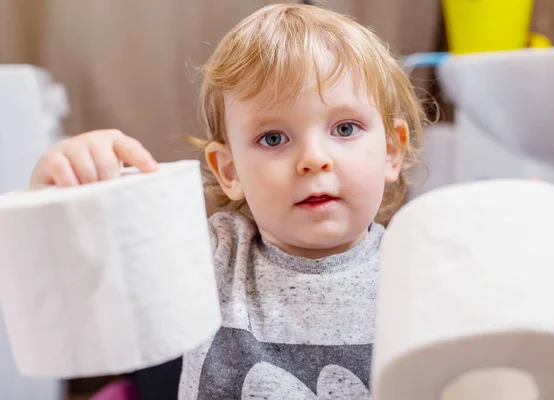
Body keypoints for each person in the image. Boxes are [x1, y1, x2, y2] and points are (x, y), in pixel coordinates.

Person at [30, 4, 427, 399]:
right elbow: (84, 289)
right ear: (230, 170)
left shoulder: (418, 272)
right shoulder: (210, 257)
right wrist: (64, 194)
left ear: (391, 151)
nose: (313, 159)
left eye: (345, 128)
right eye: (273, 138)